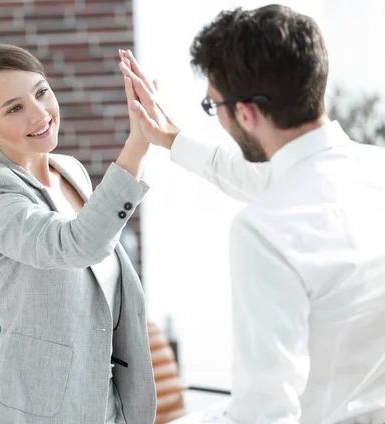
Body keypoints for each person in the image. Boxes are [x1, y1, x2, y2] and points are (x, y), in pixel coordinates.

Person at [119, 5, 385, 424]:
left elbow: (266, 411)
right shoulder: (374, 171)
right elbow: (259, 176)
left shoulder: (265, 231)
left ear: (246, 112)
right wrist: (169, 138)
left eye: (213, 106)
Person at [0, 43, 156, 424]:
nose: (39, 114)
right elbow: (78, 245)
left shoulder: (71, 170)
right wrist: (138, 145)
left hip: (101, 399)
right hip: (36, 408)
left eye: (41, 92)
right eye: (14, 108)